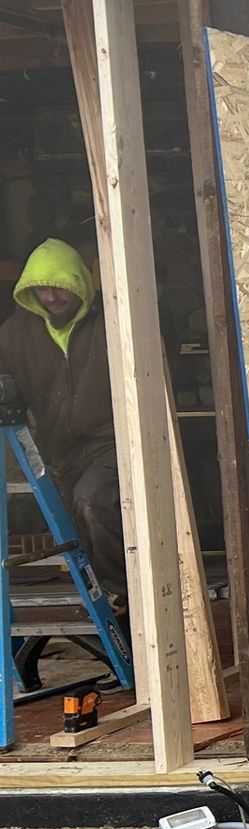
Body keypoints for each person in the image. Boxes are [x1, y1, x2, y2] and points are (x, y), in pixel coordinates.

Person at [0, 238, 125, 599]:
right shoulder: (15, 334)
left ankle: (119, 596)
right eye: (42, 289)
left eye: (61, 287)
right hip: (56, 450)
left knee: (93, 500)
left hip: (110, 442)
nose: (52, 297)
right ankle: (95, 599)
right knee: (71, 520)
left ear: (81, 284)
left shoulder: (112, 321)